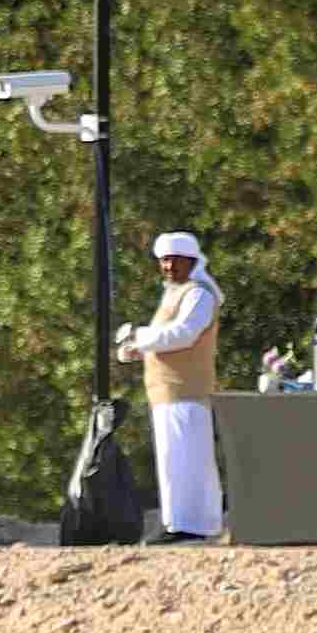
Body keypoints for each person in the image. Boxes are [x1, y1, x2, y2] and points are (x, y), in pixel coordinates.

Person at [117, 230, 224, 541]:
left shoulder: (198, 294)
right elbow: (164, 336)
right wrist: (135, 348)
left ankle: (190, 525)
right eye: (163, 261)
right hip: (166, 392)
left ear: (191, 261)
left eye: (174, 260)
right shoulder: (174, 294)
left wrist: (140, 336)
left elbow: (184, 334)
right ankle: (180, 522)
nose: (168, 267)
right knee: (172, 458)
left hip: (186, 390)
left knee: (187, 459)